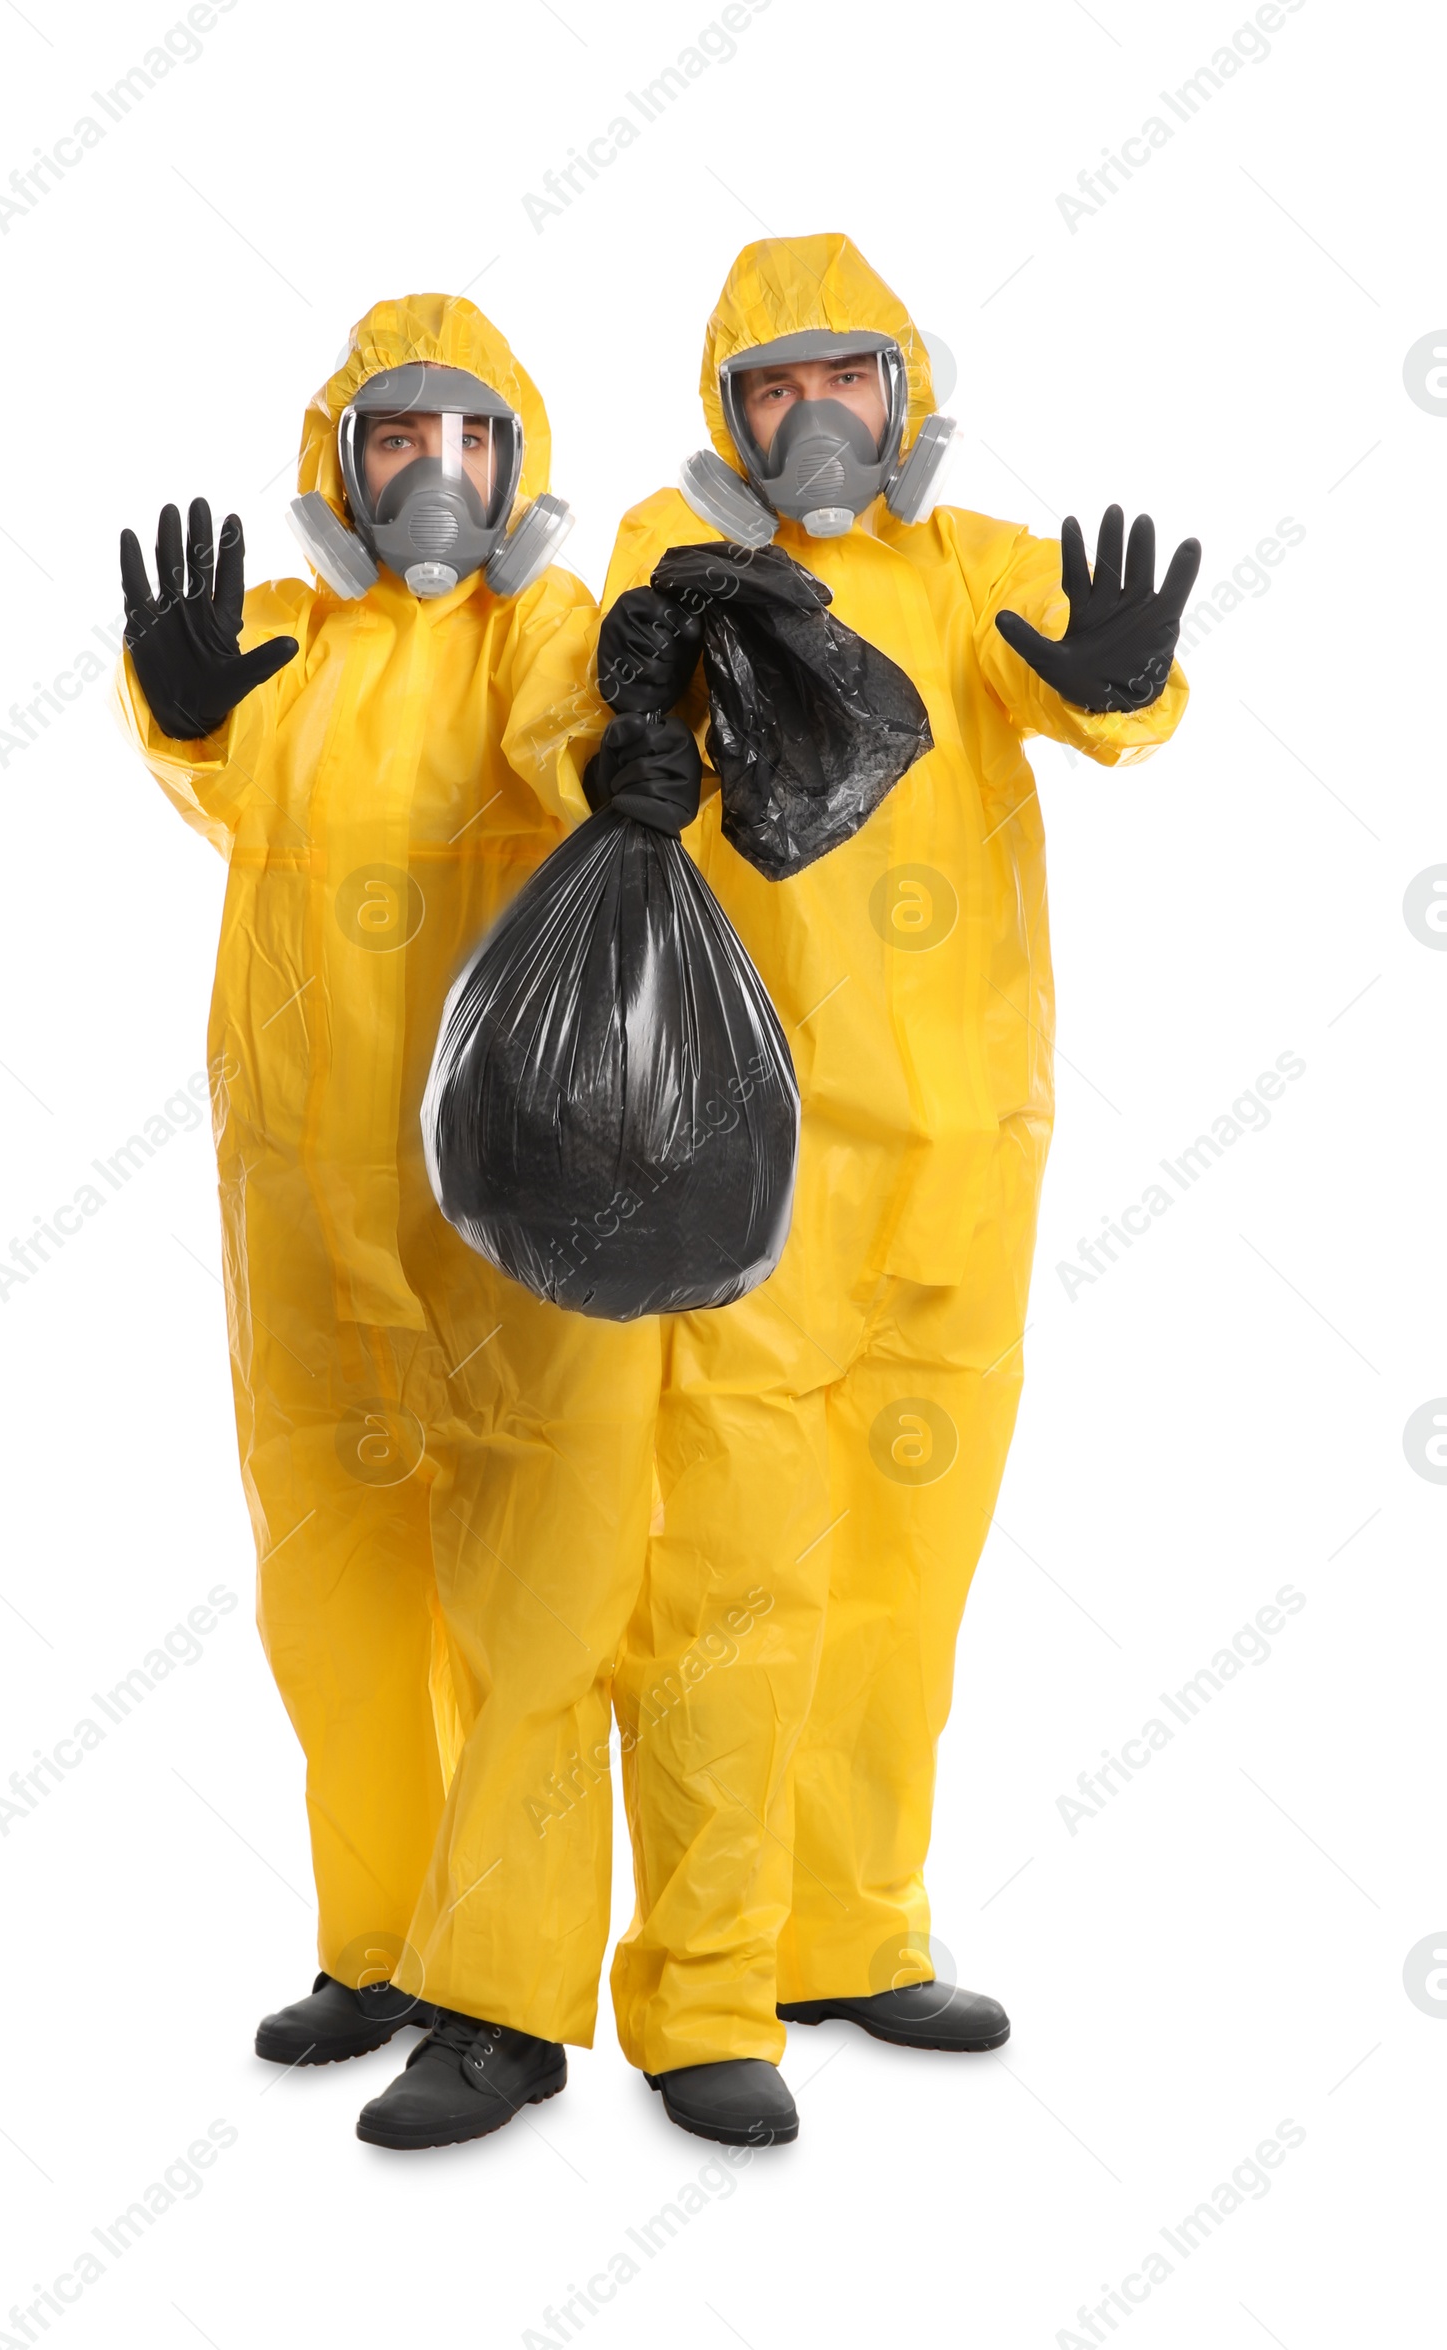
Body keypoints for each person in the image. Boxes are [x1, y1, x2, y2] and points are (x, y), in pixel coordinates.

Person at [589, 233, 1199, 2145]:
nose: (810, 416)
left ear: (901, 387)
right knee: (729, 1585)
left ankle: (850, 1931)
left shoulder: (967, 567)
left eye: (839, 376)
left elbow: (1096, 693)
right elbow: (585, 728)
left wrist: (1129, 675)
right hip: (755, 1173)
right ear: (725, 419)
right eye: (766, 389)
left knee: (901, 1589)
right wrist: (617, 720)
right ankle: (702, 1995)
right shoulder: (676, 565)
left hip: (967, 1172)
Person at [117, 293, 665, 2148]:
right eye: (398, 445)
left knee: (537, 1605)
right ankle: (381, 1943)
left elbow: (571, 737)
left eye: (472, 446)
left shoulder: (544, 626)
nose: (436, 481)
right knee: (332, 1604)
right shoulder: (278, 640)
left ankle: (505, 2005)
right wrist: (174, 713)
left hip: (514, 1195)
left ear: (520, 467)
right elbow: (215, 770)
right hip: (299, 1194)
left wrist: (624, 767)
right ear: (336, 464)